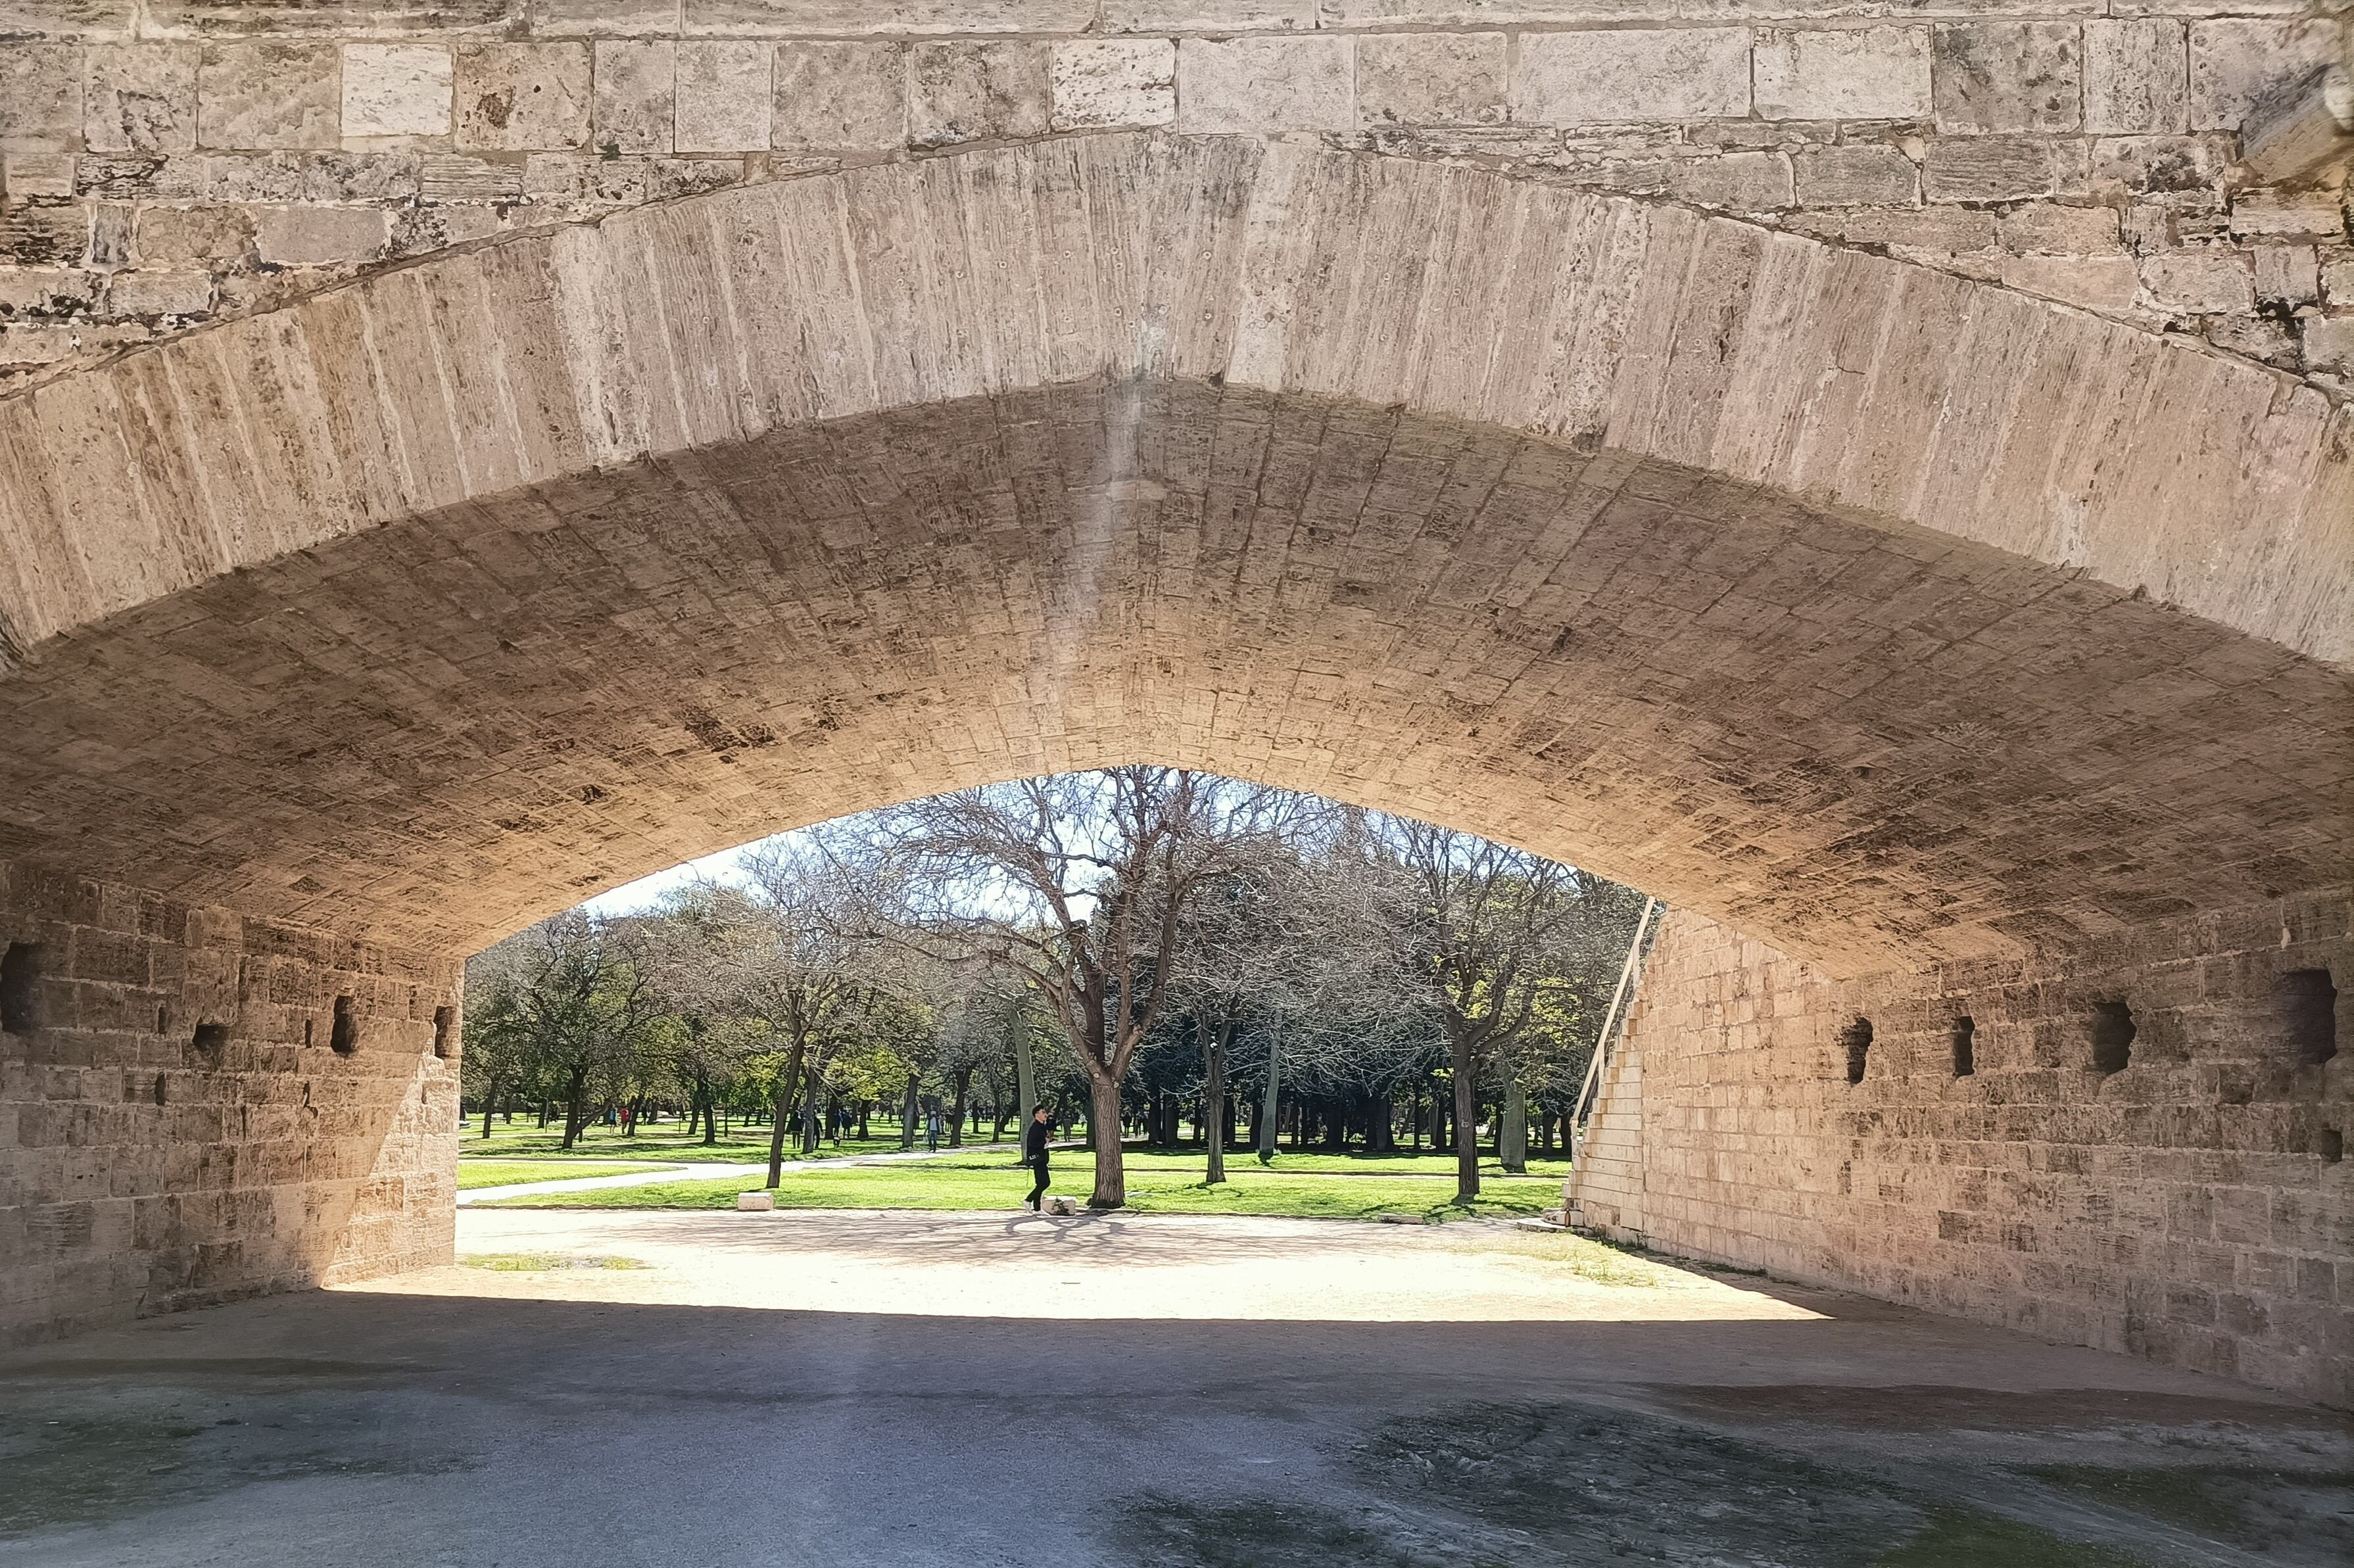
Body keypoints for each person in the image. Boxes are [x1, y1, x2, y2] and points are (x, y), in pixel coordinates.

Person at [1022, 1105, 1052, 1211]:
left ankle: (1037, 1209)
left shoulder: (1041, 1126)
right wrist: (1045, 1142)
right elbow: (1032, 1143)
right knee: (1045, 1183)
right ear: (1037, 1115)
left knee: (1040, 1183)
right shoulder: (1035, 1127)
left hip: (1041, 1158)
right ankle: (1028, 1200)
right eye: (1043, 1112)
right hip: (1038, 1159)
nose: (1046, 1114)